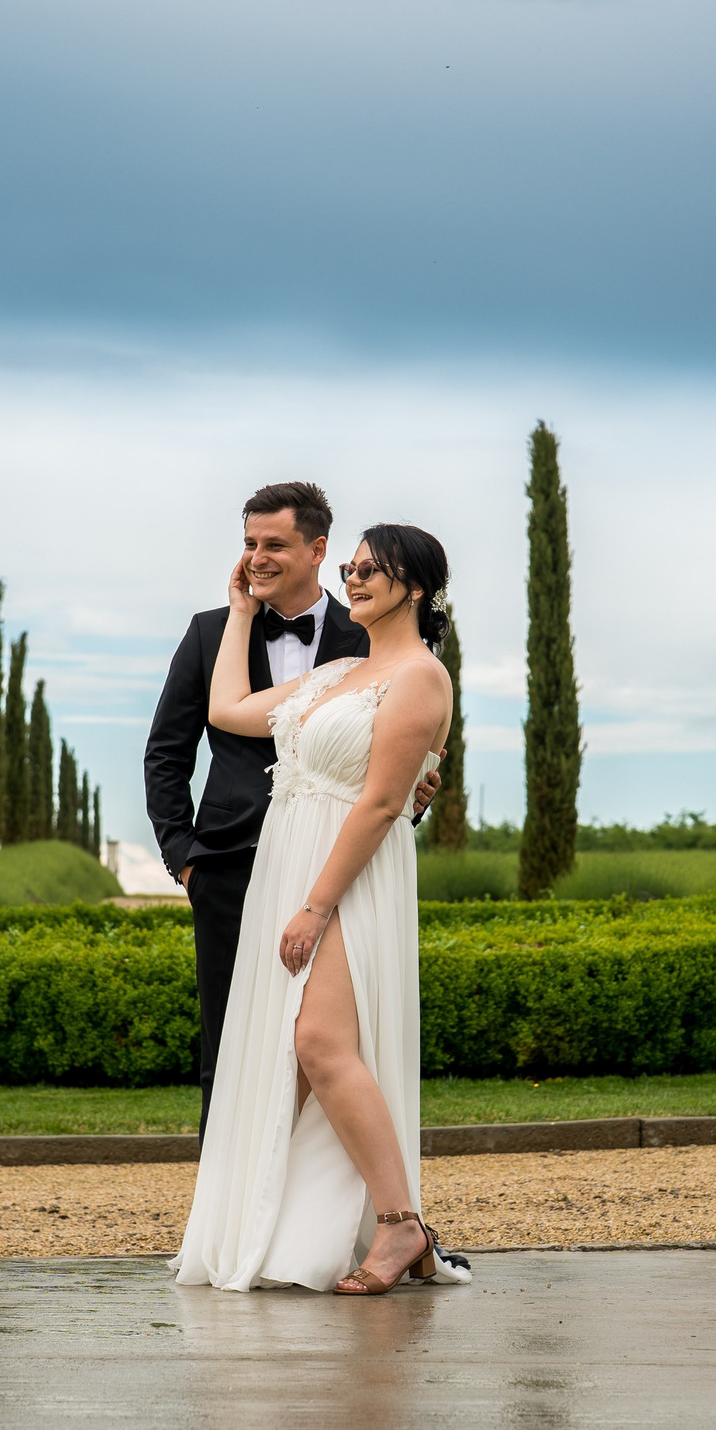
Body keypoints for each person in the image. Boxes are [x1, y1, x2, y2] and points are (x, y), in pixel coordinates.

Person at [172, 522, 468, 1295]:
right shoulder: (338, 668)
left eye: (374, 568)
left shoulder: (422, 677)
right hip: (289, 864)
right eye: (353, 566)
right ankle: (294, 1228)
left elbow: (377, 806)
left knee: (320, 1044)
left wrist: (315, 906)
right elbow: (230, 709)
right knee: (288, 1060)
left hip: (346, 876)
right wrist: (239, 610)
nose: (357, 577)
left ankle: (402, 1224)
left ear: (415, 586)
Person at [144, 482, 435, 1133]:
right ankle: (235, 1221)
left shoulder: (371, 637)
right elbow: (167, 752)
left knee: (332, 1041)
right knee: (231, 1044)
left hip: (336, 864)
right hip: (229, 867)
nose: (257, 557)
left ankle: (347, 1209)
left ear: (317, 548)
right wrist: (185, 859)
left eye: (275, 543)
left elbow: (398, 768)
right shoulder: (209, 632)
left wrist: (410, 805)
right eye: (249, 543)